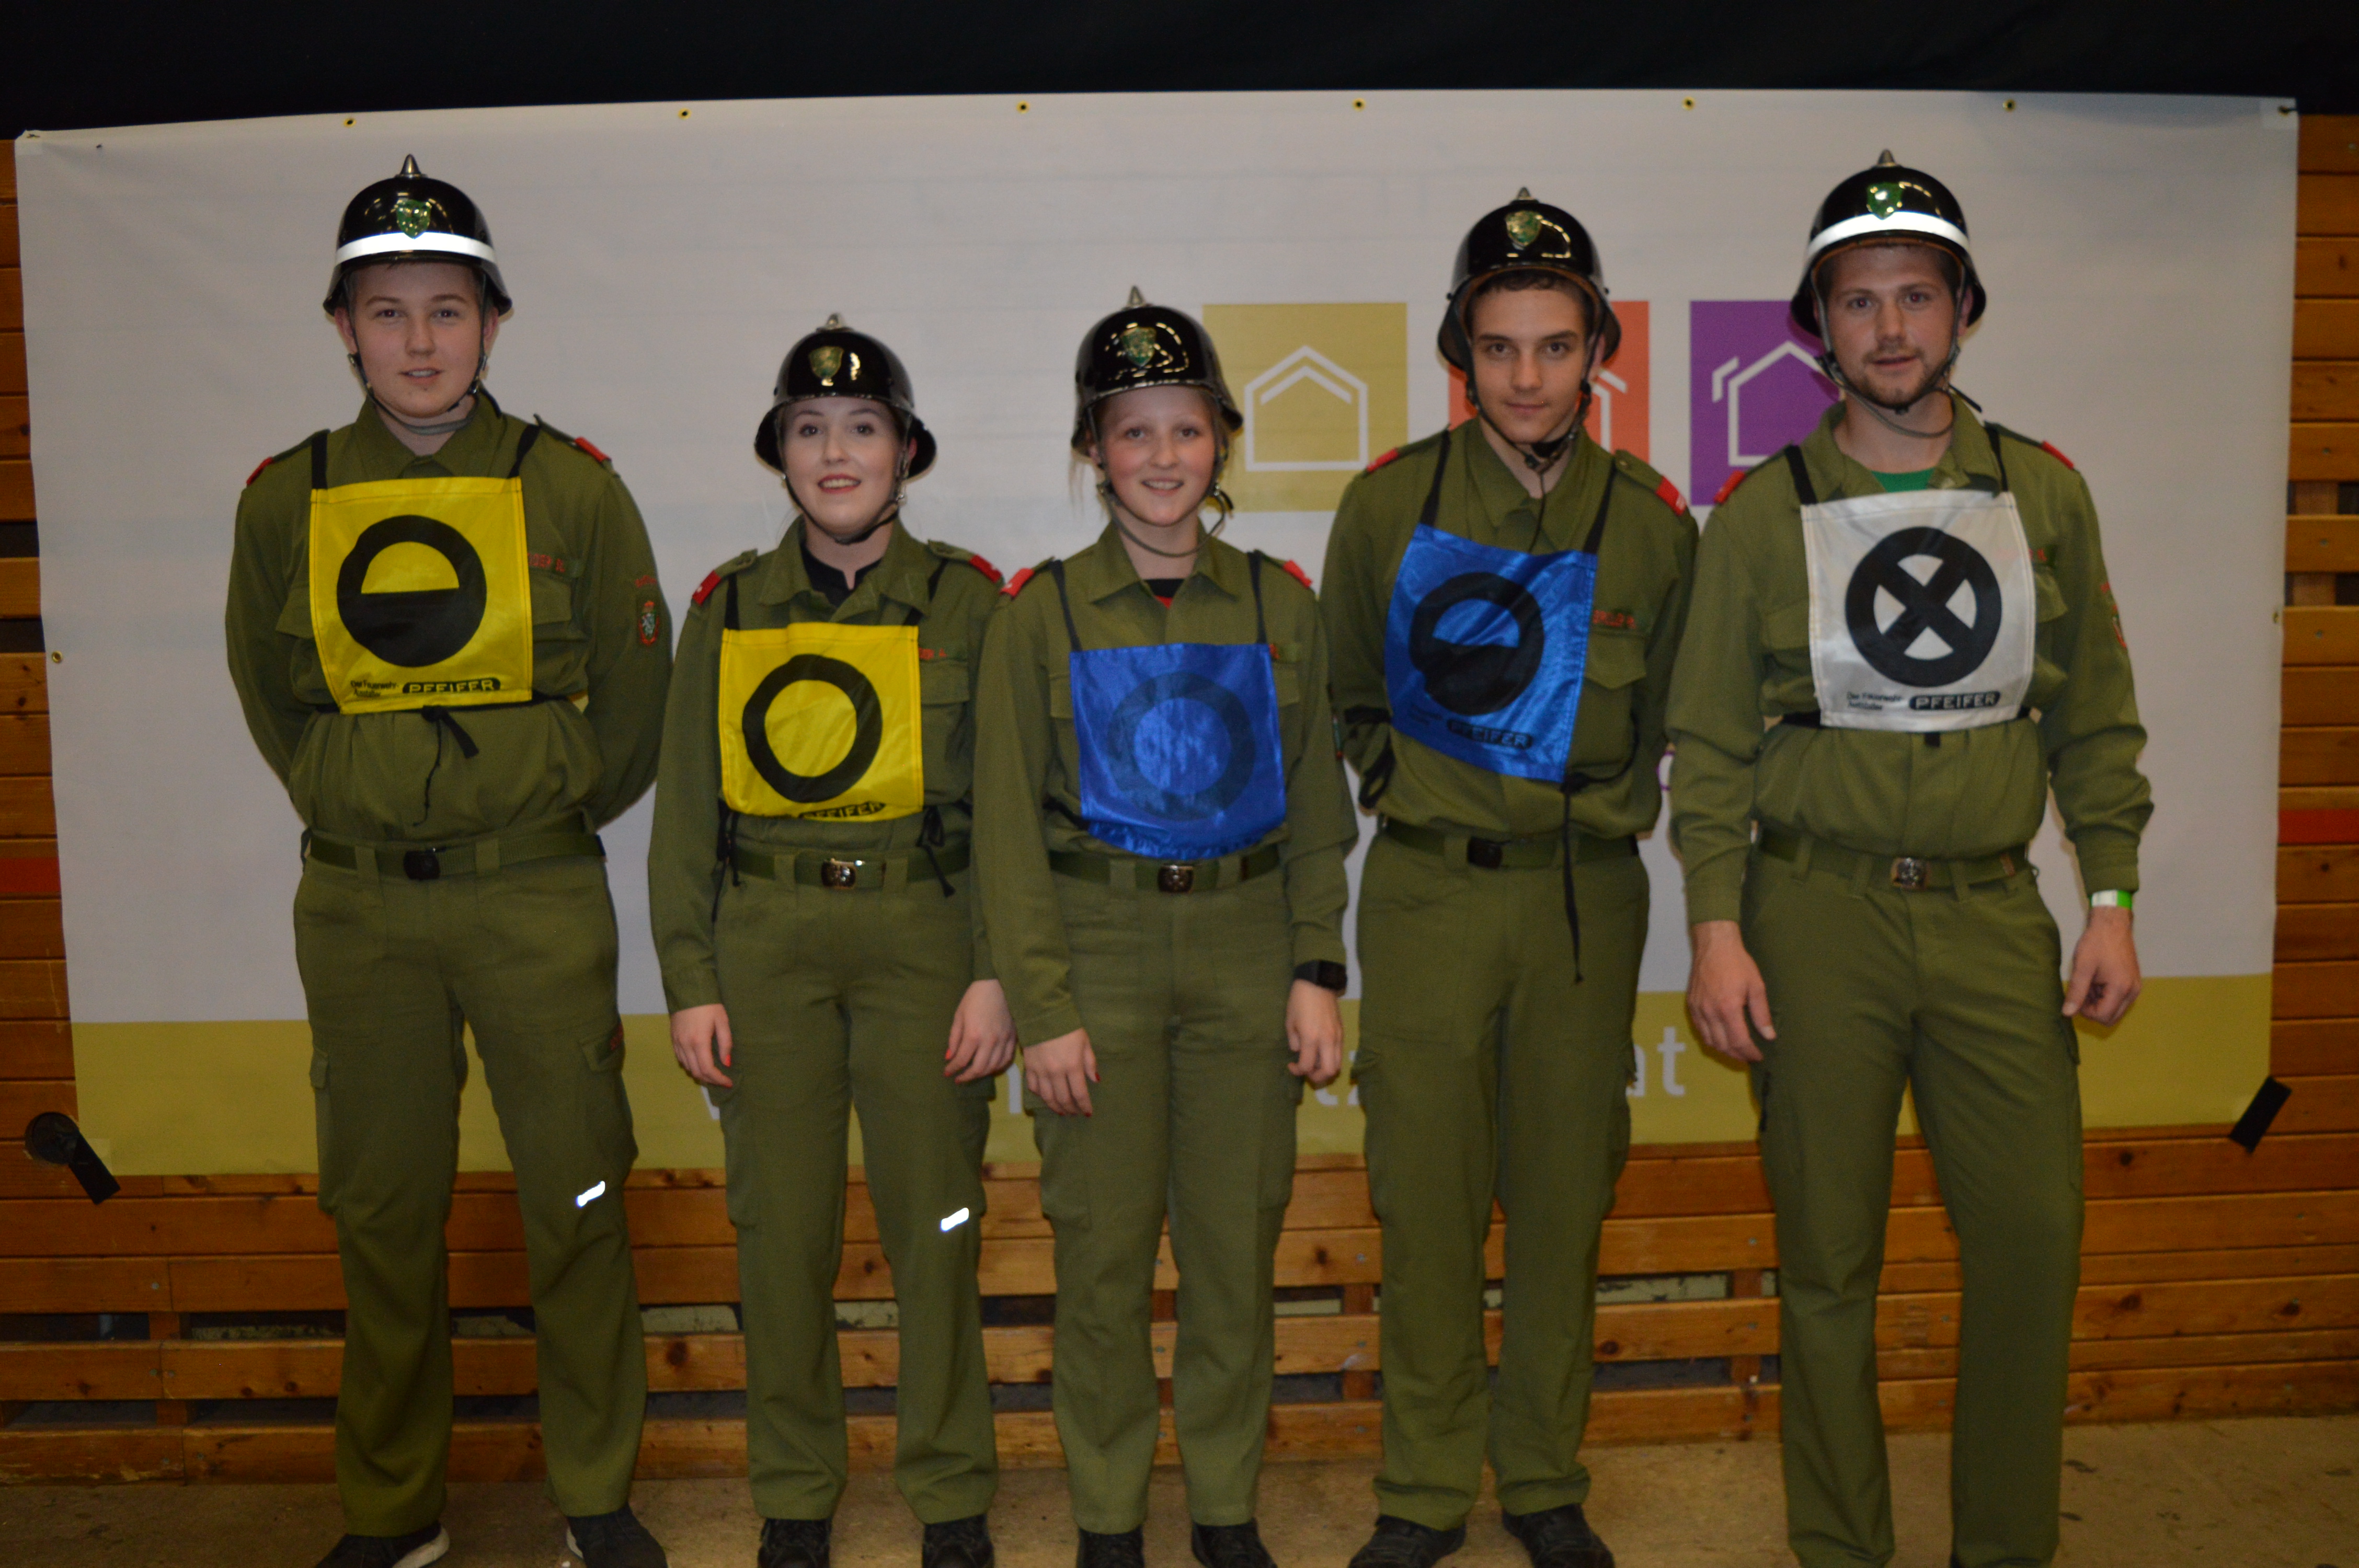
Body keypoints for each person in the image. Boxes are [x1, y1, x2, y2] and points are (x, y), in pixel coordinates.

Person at [1669, 153, 2148, 1568]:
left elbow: (2096, 720)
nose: (1890, 328)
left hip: (1995, 919)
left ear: (1963, 310)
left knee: (2033, 1244)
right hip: (1815, 916)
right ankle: (1842, 1550)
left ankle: (2005, 1547)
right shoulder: (1761, 511)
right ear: (1821, 324)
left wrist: (2110, 898)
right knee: (1828, 1262)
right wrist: (1715, 929)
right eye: (1859, 300)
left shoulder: (2044, 494)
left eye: (1917, 297)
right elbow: (1710, 742)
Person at [224, 157, 672, 1568]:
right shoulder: (285, 501)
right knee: (382, 1212)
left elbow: (635, 705)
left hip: (534, 897)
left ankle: (593, 1497)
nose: (420, 341)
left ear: (494, 321)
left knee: (580, 1195)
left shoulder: (573, 491)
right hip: (359, 909)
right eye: (387, 310)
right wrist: (360, 792)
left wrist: (533, 800)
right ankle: (392, 1511)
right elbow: (275, 703)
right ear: (341, 328)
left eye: (449, 309)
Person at [1319, 191, 1696, 1568]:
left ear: (1597, 348)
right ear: (1459, 355)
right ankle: (1423, 1489)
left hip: (1584, 901)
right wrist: (1421, 797)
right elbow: (1350, 695)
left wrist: (1581, 818)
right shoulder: (1389, 507)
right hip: (1429, 893)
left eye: (1554, 345)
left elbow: (1674, 721)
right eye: (1498, 347)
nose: (1527, 377)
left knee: (1560, 1199)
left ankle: (1541, 1476)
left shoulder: (1653, 524)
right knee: (1424, 1204)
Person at [972, 291, 1354, 1568]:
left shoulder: (1279, 605)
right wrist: (1045, 1006)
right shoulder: (1039, 616)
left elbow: (1317, 814)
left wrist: (1315, 968)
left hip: (1247, 951)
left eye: (1185, 428)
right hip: (1102, 956)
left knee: (1234, 1256)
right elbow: (1007, 837)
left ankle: (1227, 1509)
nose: (1162, 456)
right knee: (1102, 1265)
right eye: (1132, 431)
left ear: (1222, 439)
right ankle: (1108, 1519)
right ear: (1094, 449)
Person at [647, 317, 1011, 1568]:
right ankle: (796, 1493)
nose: (837, 452)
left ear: (906, 450)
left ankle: (951, 1490)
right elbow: (684, 816)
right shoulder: (729, 608)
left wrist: (996, 973)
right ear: (781, 452)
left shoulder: (970, 603)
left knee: (938, 1228)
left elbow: (1007, 814)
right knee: (782, 1237)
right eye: (809, 429)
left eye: (863, 427)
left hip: (924, 942)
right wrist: (691, 979)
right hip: (769, 945)